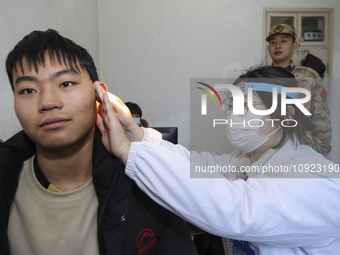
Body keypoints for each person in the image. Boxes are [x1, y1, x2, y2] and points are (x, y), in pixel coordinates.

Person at [94, 66, 340, 255]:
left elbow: (237, 208)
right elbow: (194, 164)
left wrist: (129, 151)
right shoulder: (244, 162)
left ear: (287, 113)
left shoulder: (317, 178)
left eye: (249, 106)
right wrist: (136, 134)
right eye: (233, 107)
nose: (235, 117)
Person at [0, 29, 198, 255]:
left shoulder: (146, 183)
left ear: (99, 94)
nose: (48, 102)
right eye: (28, 90)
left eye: (65, 84)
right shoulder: (6, 176)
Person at [266, 23, 331, 156]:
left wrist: (321, 152)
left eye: (283, 41)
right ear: (268, 48)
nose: (277, 46)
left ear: (294, 46)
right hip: (267, 150)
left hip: (302, 149)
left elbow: (321, 118)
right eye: (273, 42)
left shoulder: (310, 76)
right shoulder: (260, 77)